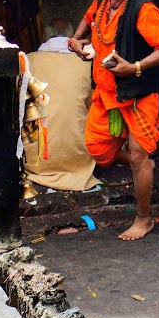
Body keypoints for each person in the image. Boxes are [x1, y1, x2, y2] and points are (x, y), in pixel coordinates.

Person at [68, 0, 159, 241]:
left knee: (139, 154)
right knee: (97, 148)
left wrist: (136, 67)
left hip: (138, 93)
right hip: (106, 91)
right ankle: (140, 162)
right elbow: (88, 19)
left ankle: (144, 219)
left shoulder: (144, 8)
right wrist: (77, 40)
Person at [23, 18, 101, 192]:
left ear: (44, 36)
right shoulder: (85, 62)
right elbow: (90, 104)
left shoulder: (28, 60)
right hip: (78, 156)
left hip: (38, 159)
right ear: (71, 37)